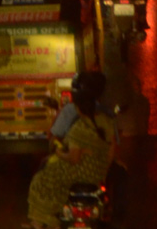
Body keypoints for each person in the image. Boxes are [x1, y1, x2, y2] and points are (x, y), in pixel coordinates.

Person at [25, 69, 118, 229]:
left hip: (79, 172)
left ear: (80, 106)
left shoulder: (79, 127)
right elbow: (112, 149)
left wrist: (60, 153)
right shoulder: (107, 120)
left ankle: (41, 221)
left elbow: (73, 158)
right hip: (99, 172)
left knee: (41, 179)